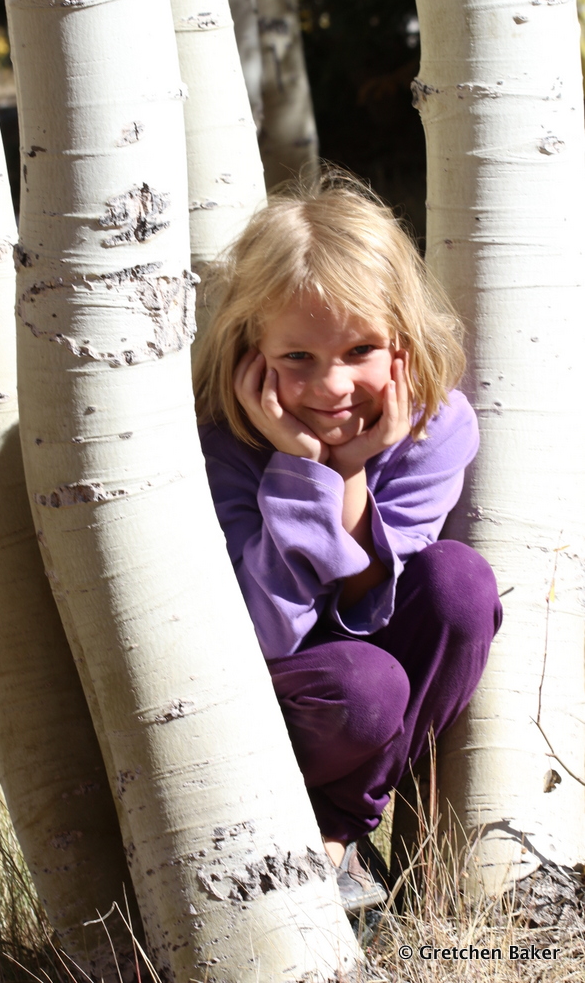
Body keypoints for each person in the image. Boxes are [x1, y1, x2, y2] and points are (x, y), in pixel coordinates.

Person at [193, 173, 503, 911]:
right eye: (297, 357)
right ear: (250, 349)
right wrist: (302, 470)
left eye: (360, 348)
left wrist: (353, 470)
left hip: (374, 687)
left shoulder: (437, 428)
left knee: (460, 583)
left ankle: (334, 834)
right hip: (286, 700)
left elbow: (370, 604)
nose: (332, 387)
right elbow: (268, 633)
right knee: (364, 684)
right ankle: (337, 836)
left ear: (402, 340)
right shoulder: (221, 443)